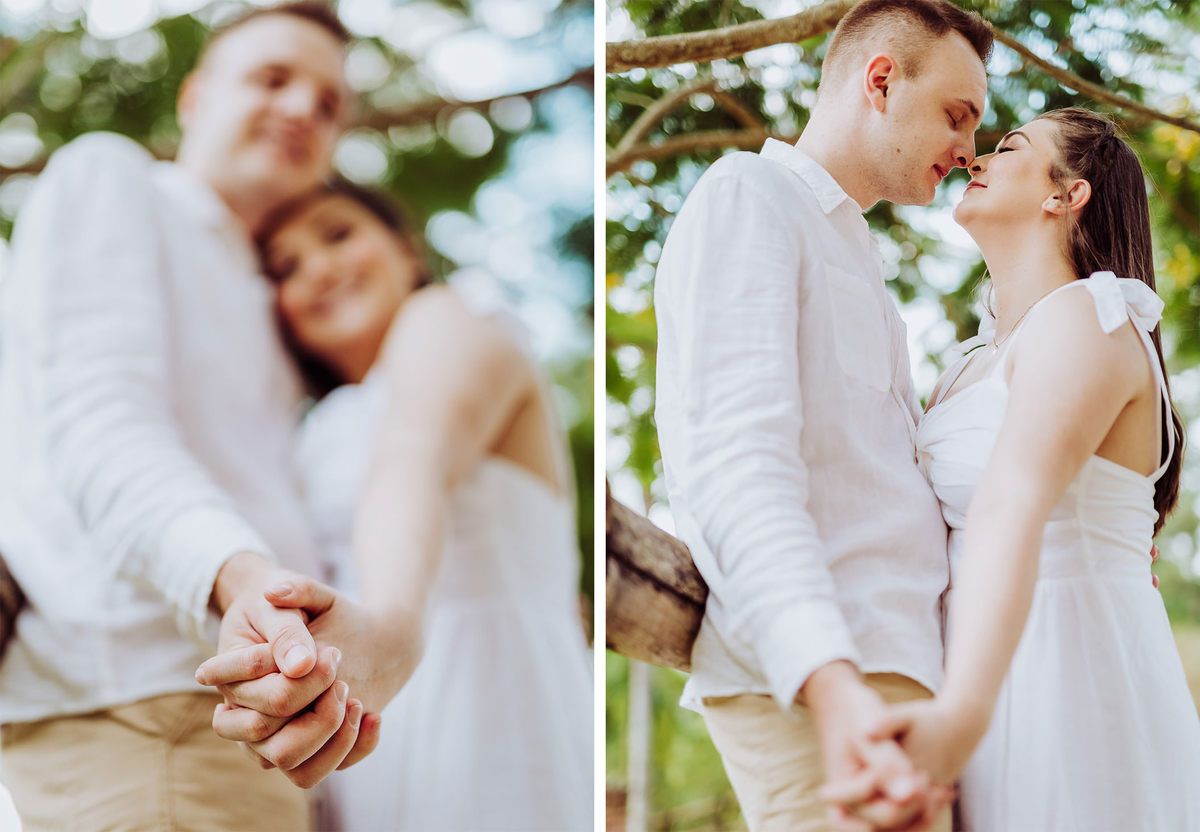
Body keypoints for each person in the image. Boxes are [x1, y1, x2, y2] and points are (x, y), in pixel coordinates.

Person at [0, 5, 373, 829]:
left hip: (256, 714)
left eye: (328, 104)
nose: (302, 110)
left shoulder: (277, 305)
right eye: (273, 79)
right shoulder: (114, 178)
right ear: (196, 98)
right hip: (149, 708)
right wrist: (239, 579)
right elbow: (101, 423)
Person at [651, 1, 991, 828]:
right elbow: (735, 463)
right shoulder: (750, 196)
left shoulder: (856, 254)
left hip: (903, 683)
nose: (969, 150)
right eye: (959, 115)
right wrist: (833, 689)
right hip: (823, 686)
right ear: (881, 80)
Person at [828, 108, 1200, 830]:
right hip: (968, 665)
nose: (976, 159)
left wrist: (959, 715)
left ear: (1067, 195)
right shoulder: (967, 367)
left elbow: (1010, 503)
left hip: (1065, 664)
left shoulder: (1088, 317)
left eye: (1007, 147)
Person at [194, 180, 594, 830]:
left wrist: (391, 634)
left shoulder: (452, 313)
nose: (320, 268)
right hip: (364, 723)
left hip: (483, 697)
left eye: (339, 233)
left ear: (407, 251)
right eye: (287, 269)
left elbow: (413, 460)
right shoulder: (318, 422)